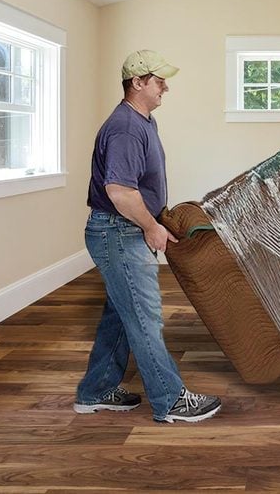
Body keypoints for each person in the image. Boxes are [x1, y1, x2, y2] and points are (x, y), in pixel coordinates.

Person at [74, 49, 222, 423]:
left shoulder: (144, 121)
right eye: (159, 81)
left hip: (123, 230)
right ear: (137, 83)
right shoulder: (125, 127)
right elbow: (120, 192)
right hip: (118, 232)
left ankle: (96, 390)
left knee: (122, 315)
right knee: (144, 318)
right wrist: (151, 227)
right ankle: (170, 400)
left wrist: (158, 218)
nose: (165, 88)